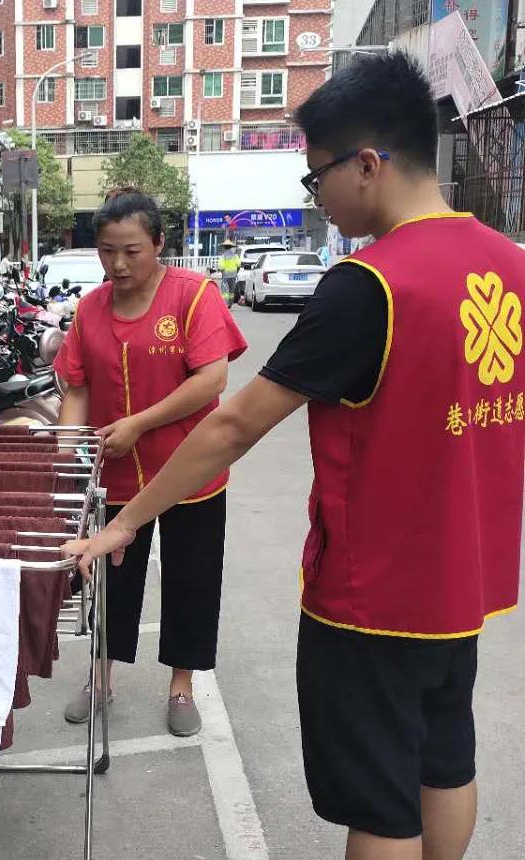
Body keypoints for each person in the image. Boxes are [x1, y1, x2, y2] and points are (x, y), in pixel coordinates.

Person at [64, 53, 525, 860]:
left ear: (369, 164)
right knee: (443, 761)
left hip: (374, 597)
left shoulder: (369, 284)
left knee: (382, 806)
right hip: (468, 584)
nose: (317, 197)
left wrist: (126, 522)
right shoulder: (513, 267)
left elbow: (231, 425)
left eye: (317, 178)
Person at [52, 187, 247, 736]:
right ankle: (101, 676)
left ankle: (181, 685)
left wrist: (140, 422)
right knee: (114, 583)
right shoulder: (89, 310)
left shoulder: (193, 295)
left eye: (132, 250)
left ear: (160, 244)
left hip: (191, 474)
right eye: (108, 250)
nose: (118, 263)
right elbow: (77, 388)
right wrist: (65, 454)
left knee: (192, 578)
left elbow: (212, 378)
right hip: (114, 477)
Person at [218, 241, 242, 305]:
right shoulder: (235, 256)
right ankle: (231, 302)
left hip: (225, 276)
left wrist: (221, 271)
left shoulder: (223, 256)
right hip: (233, 275)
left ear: (224, 247)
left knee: (225, 290)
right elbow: (239, 264)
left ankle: (225, 303)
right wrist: (236, 272)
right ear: (231, 247)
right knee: (231, 290)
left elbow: (221, 267)